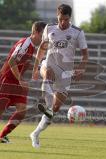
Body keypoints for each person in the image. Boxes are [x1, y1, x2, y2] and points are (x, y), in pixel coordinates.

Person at [30, 4, 88, 148]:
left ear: (70, 18)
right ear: (57, 16)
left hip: (65, 73)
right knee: (48, 72)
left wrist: (81, 68)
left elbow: (85, 54)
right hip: (48, 64)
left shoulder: (77, 33)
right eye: (61, 19)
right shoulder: (49, 28)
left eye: (66, 20)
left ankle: (35, 133)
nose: (63, 22)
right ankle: (47, 105)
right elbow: (42, 49)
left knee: (53, 111)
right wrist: (36, 67)